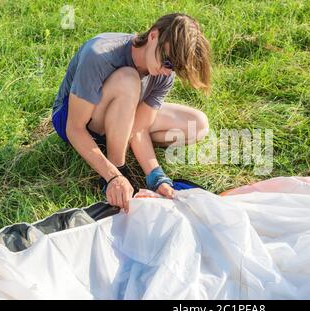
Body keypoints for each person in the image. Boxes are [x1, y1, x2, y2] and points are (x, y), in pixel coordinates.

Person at [51, 13, 211, 213]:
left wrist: (156, 176)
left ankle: (119, 139)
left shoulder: (163, 74)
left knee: (197, 124)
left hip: (122, 109)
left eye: (175, 68)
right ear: (153, 36)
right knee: (128, 79)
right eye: (168, 61)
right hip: (75, 119)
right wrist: (114, 176)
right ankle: (117, 166)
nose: (167, 71)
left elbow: (139, 127)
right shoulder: (100, 54)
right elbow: (74, 128)